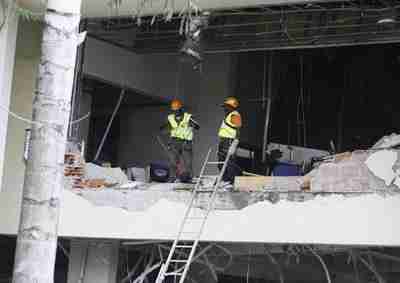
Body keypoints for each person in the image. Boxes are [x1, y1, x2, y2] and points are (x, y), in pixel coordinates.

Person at [160, 99, 200, 183]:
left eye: (177, 110)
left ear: (181, 109)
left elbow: (197, 126)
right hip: (174, 142)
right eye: (174, 110)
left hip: (186, 142)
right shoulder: (170, 118)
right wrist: (165, 130)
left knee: (188, 162)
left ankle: (189, 178)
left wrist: (193, 124)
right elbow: (164, 128)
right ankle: (172, 178)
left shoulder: (188, 117)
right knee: (173, 161)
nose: (176, 112)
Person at [217, 96, 242, 186]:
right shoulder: (228, 115)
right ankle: (224, 179)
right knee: (221, 161)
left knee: (230, 162)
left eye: (226, 106)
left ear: (231, 107)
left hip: (229, 141)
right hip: (224, 141)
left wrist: (235, 143)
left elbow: (238, 130)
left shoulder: (235, 115)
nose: (224, 108)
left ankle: (231, 181)